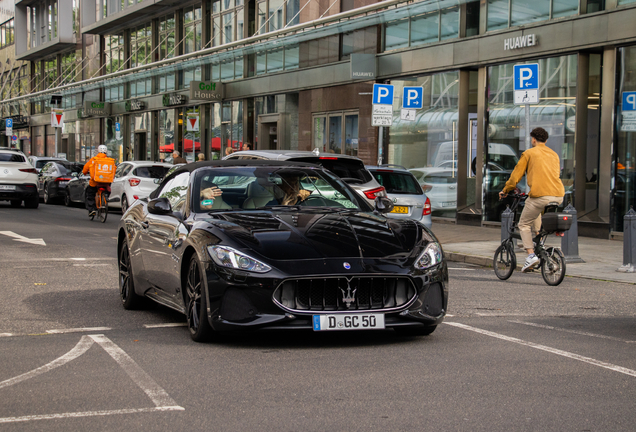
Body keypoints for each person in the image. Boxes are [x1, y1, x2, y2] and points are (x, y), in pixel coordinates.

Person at [499, 127, 565, 272]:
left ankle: (530, 256)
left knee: (523, 224)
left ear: (533, 139)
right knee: (534, 214)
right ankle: (539, 245)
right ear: (546, 140)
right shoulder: (554, 154)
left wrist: (505, 190)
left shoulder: (529, 153)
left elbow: (516, 176)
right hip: (558, 195)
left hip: (541, 195)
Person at [82, 145, 112, 218]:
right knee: (107, 189)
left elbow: (85, 170)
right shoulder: (110, 160)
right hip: (106, 182)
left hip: (95, 182)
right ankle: (106, 197)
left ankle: (92, 209)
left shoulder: (93, 160)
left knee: (90, 194)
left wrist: (85, 173)